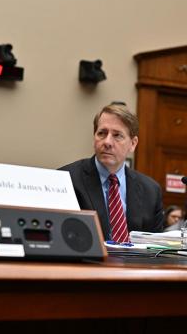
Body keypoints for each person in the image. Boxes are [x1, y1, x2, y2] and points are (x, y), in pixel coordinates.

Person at [59, 103, 164, 241]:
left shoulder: (151, 191)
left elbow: (155, 248)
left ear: (133, 144)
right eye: (102, 133)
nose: (107, 142)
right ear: (94, 138)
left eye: (117, 135)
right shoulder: (66, 179)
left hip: (135, 262)